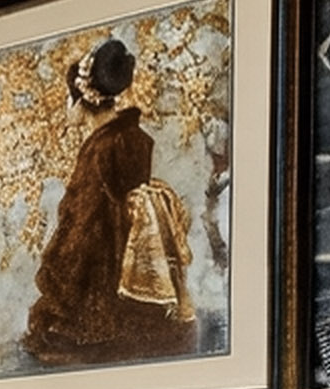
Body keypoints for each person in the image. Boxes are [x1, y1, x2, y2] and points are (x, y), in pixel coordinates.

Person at [23, 36, 201, 365]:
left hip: (103, 270)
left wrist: (60, 265)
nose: (66, 107)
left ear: (82, 100)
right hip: (127, 265)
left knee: (53, 324)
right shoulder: (134, 137)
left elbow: (84, 222)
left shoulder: (99, 150)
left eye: (68, 98)